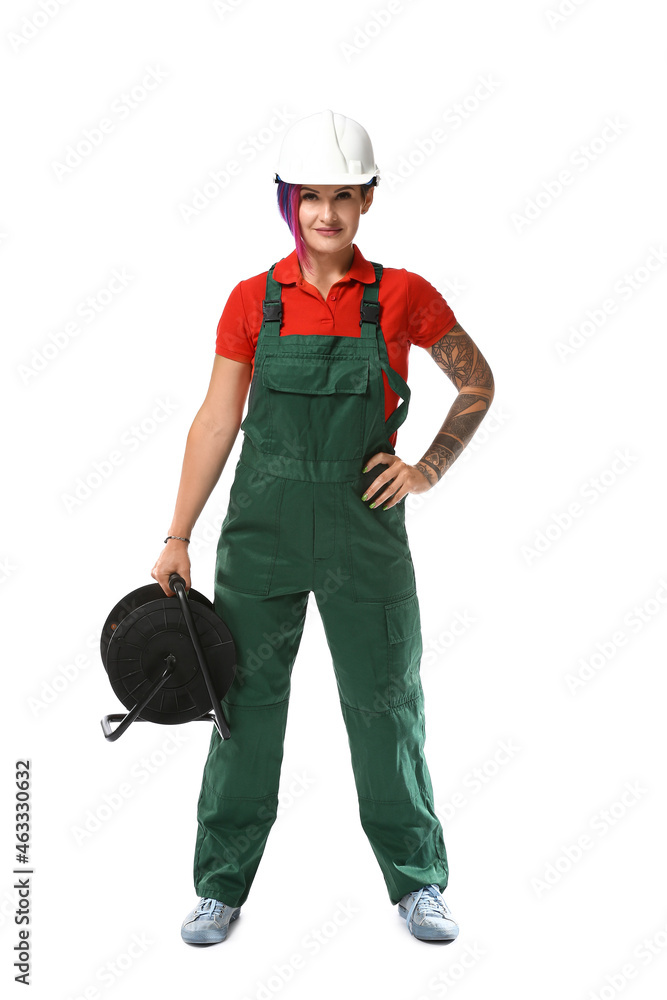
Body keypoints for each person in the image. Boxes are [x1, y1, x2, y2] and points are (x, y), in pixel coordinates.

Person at [151, 109, 495, 945]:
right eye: (311, 197)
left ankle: (416, 882)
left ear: (368, 200)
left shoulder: (403, 296)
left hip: (364, 530)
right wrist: (177, 535)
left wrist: (425, 469)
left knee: (386, 707)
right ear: (287, 200)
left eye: (344, 196)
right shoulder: (250, 301)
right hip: (260, 530)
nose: (327, 215)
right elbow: (214, 420)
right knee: (242, 710)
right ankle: (220, 886)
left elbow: (477, 382)